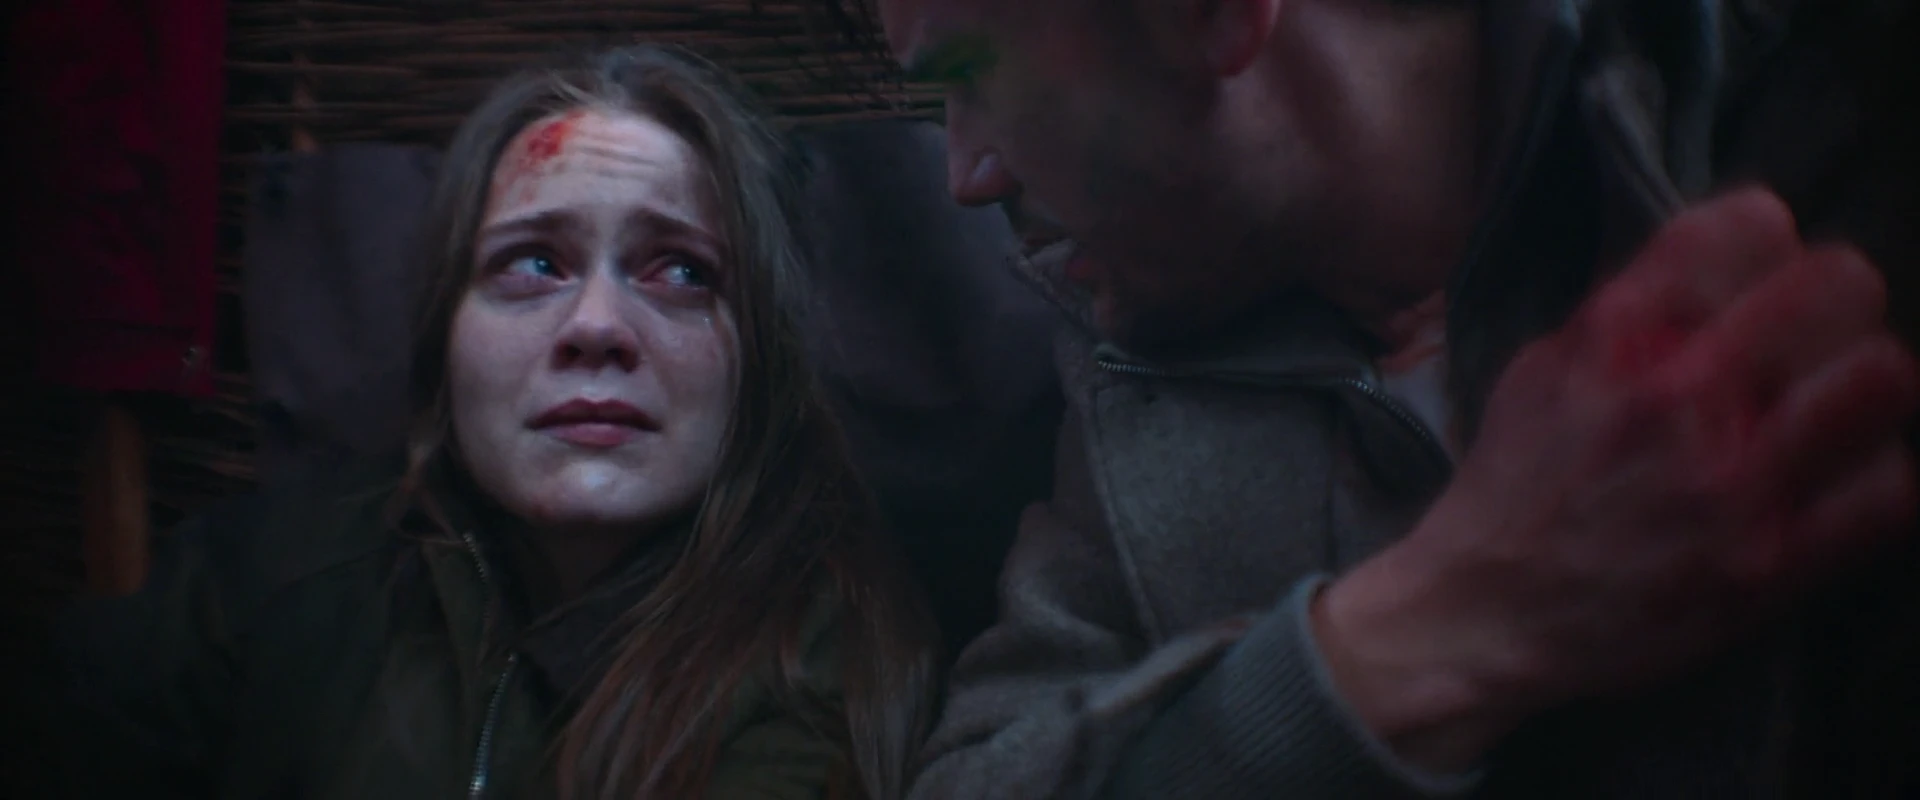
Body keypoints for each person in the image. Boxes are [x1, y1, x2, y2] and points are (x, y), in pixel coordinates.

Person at [804, 0, 1920, 796]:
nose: (966, 175)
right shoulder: (1134, 394)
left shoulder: (1831, 111)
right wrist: (1434, 628)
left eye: (970, 73)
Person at [32, 44, 936, 800]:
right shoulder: (266, 576)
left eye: (682, 272)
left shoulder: (823, 660)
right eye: (533, 264)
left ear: (761, 363)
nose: (596, 327)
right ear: (446, 344)